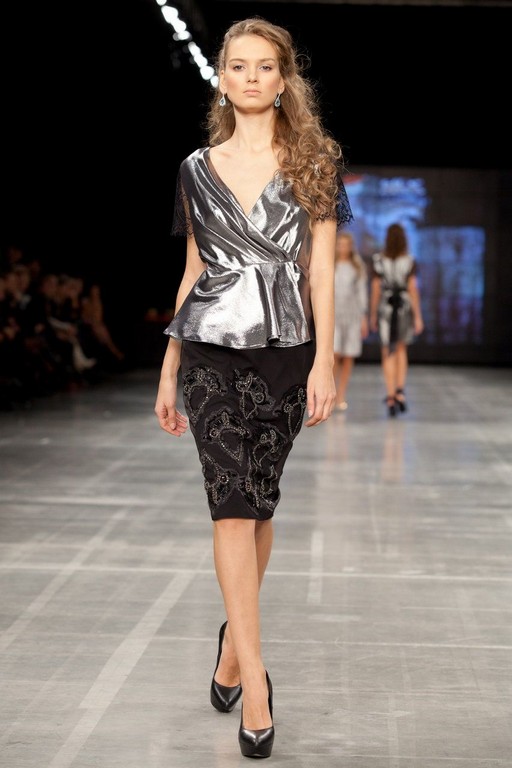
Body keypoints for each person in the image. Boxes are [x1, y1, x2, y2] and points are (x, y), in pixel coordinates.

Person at [154, 17, 352, 759]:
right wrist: (170, 365)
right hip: (209, 349)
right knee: (231, 506)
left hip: (286, 352)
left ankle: (234, 647)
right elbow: (195, 270)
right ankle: (259, 684)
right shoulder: (195, 169)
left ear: (283, 78)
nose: (250, 77)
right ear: (222, 78)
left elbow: (320, 269)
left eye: (264, 66)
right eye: (238, 65)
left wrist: (325, 361)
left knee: (259, 502)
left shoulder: (315, 162)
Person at [369, 222, 424, 416]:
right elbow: (413, 289)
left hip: (386, 308)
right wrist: (418, 316)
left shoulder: (378, 260)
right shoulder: (409, 261)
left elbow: (376, 290)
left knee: (387, 351)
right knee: (401, 349)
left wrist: (372, 315)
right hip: (404, 308)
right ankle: (400, 392)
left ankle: (390, 395)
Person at [333, 230, 368, 412]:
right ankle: (331, 394)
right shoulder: (330, 264)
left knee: (348, 355)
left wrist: (363, 317)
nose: (343, 248)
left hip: (352, 315)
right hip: (333, 315)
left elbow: (361, 292)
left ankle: (341, 394)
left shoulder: (357, 266)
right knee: (334, 354)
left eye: (346, 245)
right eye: (340, 244)